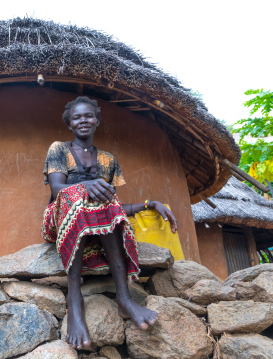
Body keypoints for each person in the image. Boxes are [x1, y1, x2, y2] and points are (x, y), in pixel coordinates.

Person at [41, 96, 178, 349]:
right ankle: (75, 300)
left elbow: (115, 207)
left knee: (105, 201)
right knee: (77, 194)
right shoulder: (59, 148)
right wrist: (85, 185)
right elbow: (58, 187)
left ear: (97, 121)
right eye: (77, 117)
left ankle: (124, 298)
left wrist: (150, 204)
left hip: (97, 224)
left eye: (88, 116)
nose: (83, 120)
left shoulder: (108, 160)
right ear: (70, 124)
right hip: (61, 219)